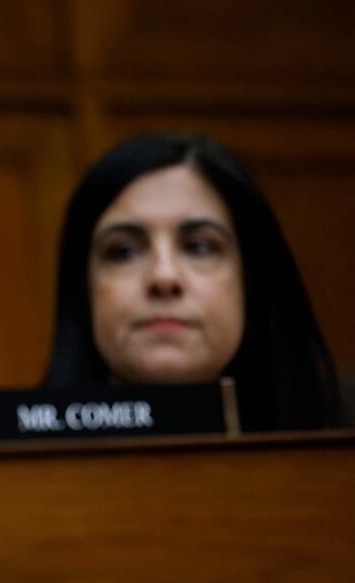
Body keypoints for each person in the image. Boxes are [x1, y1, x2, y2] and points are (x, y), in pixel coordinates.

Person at [44, 133, 340, 431]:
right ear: (84, 289)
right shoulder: (7, 464)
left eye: (199, 247)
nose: (164, 276)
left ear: (251, 280)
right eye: (123, 251)